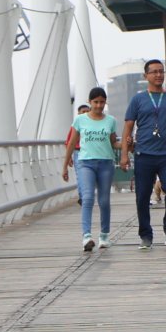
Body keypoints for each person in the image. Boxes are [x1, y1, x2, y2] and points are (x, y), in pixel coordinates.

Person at [120, 59, 166, 249]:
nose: (158, 75)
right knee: (142, 195)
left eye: (161, 71)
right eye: (154, 72)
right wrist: (124, 155)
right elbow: (128, 127)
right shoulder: (138, 99)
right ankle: (145, 234)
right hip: (144, 154)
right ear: (146, 76)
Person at [63, 88, 120, 253]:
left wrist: (126, 145)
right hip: (86, 162)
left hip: (105, 163)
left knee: (104, 201)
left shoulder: (110, 121)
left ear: (105, 103)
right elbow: (72, 142)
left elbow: (113, 143)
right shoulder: (80, 120)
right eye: (95, 102)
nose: (99, 105)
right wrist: (65, 165)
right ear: (90, 102)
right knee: (87, 198)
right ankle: (86, 236)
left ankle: (104, 236)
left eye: (102, 102)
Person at [66, 103, 90, 205]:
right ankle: (82, 197)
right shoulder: (75, 126)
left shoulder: (92, 125)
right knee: (80, 175)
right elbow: (69, 142)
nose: (85, 114)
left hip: (89, 152)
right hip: (78, 152)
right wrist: (69, 156)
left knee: (85, 176)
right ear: (78, 113)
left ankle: (84, 196)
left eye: (87, 112)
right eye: (83, 112)